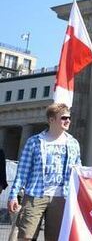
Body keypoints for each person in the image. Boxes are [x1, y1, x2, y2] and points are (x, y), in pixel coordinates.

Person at [7, 103, 81, 241]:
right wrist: (13, 195)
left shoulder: (73, 143)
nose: (68, 121)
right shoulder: (34, 142)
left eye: (69, 118)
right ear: (51, 120)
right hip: (35, 195)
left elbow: (78, 171)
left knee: (57, 238)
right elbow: (23, 171)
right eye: (64, 118)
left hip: (61, 196)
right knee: (26, 237)